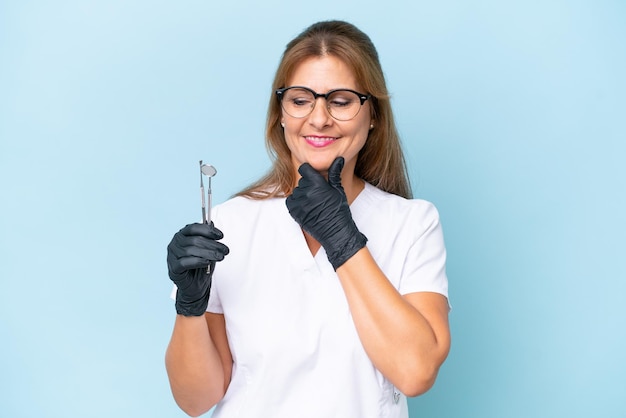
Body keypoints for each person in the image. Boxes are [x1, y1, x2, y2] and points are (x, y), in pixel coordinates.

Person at [165, 20, 450, 418]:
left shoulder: (412, 223)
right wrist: (189, 306)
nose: (318, 119)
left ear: (373, 117)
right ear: (280, 114)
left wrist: (341, 236)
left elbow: (416, 372)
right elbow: (195, 401)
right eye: (300, 100)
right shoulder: (231, 223)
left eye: (341, 100)